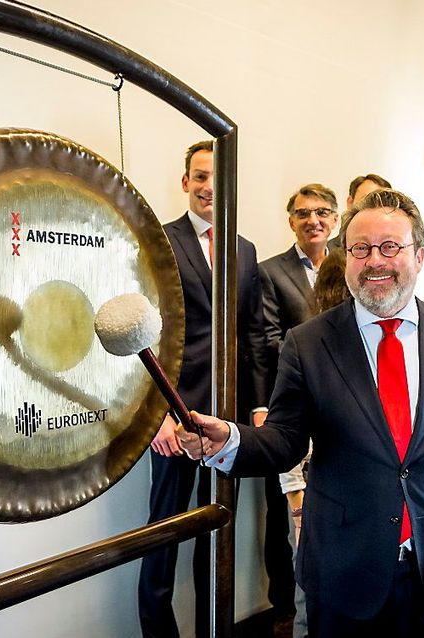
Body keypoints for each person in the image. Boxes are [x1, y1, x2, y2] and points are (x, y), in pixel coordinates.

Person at [178, 189, 424, 637]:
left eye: (391, 246)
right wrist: (232, 440)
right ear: (346, 256)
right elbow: (284, 438)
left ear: (420, 256)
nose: (375, 260)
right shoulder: (309, 343)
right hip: (343, 574)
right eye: (360, 248)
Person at [138, 141, 270, 638]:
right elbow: (138, 336)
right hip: (175, 415)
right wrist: (157, 417)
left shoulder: (245, 249)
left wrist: (257, 407)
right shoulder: (159, 241)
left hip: (227, 421)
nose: (208, 186)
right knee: (163, 535)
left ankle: (212, 630)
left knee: (215, 536)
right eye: (199, 177)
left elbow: (253, 336)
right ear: (185, 183)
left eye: (217, 177)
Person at [258, 183, 343, 623]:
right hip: (289, 399)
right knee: (286, 510)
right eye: (304, 212)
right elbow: (265, 341)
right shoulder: (270, 271)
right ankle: (285, 610)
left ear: (336, 219)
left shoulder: (353, 265)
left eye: (323, 212)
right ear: (291, 220)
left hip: (341, 403)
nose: (314, 220)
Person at [329, 174, 391, 248]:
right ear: (350, 202)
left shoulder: (398, 248)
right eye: (366, 200)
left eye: (380, 202)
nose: (374, 207)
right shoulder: (329, 251)